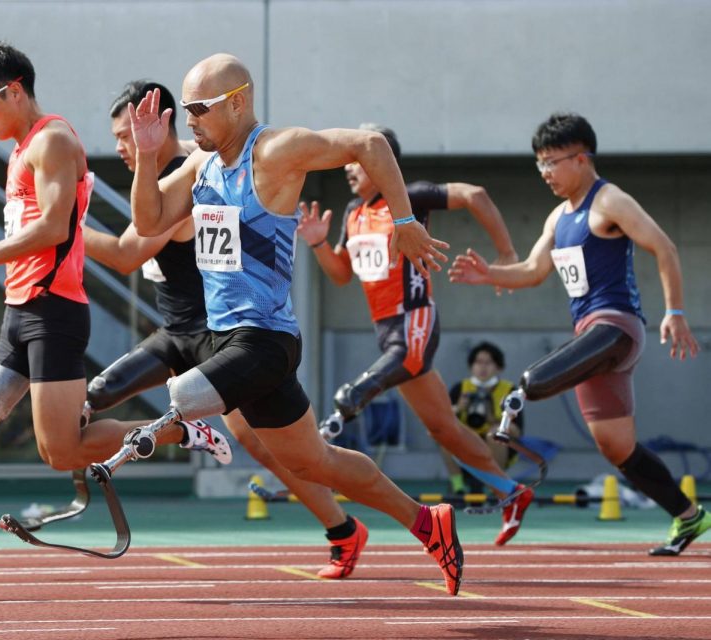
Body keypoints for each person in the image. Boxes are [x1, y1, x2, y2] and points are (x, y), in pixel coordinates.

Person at [99, 53, 463, 595]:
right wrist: (150, 158)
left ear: (238, 102)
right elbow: (149, 221)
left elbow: (371, 145)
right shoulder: (201, 165)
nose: (190, 118)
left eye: (199, 108)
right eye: (187, 108)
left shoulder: (274, 150)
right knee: (314, 462)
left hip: (265, 339)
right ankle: (426, 522)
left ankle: (185, 428)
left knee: (187, 391)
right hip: (227, 338)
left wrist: (406, 219)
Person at [84, 80, 366, 579]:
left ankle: (340, 528)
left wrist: (59, 229)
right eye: (119, 137)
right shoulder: (177, 169)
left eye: (127, 135)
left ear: (164, 121)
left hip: (218, 334)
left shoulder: (194, 170)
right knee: (96, 395)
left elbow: (129, 252)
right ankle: (338, 525)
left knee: (270, 446)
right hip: (175, 332)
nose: (122, 148)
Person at [0, 41, 211, 476]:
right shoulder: (20, 151)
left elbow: (63, 231)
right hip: (25, 305)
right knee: (27, 421)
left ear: (14, 92)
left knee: (64, 448)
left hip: (62, 309)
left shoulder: (53, 140)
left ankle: (181, 432)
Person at [449, 112, 707, 556]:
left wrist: (676, 311)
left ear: (582, 158)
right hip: (589, 338)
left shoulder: (610, 201)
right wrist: (487, 273)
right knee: (617, 448)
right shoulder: (557, 217)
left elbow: (663, 245)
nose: (545, 173)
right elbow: (532, 271)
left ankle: (520, 395)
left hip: (616, 329)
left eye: (553, 162)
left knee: (533, 382)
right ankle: (689, 517)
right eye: (540, 164)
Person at [297, 123, 531, 546]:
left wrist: (507, 254)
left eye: (359, 158)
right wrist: (317, 245)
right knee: (443, 429)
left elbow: (474, 194)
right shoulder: (353, 213)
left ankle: (349, 404)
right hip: (385, 332)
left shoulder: (410, 198)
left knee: (365, 387)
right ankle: (511, 493)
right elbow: (341, 275)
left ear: (382, 161)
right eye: (348, 159)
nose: (350, 166)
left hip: (415, 322)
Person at [443, 342, 522, 495]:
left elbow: (517, 432)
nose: (483, 367)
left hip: (496, 447)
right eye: (478, 362)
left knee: (495, 435)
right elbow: (441, 420)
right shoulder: (460, 388)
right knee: (445, 434)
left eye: (488, 363)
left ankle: (496, 487)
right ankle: (458, 487)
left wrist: (494, 420)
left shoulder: (510, 390)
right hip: (466, 443)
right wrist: (458, 408)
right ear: (471, 366)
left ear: (499, 367)